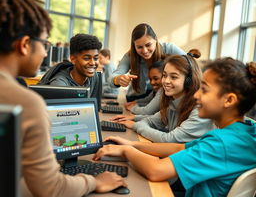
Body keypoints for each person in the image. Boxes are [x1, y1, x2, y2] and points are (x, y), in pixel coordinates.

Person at [0, 0, 126, 197]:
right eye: (44, 45)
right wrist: (94, 182)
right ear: (24, 44)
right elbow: (51, 188)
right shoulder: (26, 102)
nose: (44, 54)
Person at [93, 57, 256, 197]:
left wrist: (125, 151)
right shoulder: (247, 130)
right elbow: (179, 148)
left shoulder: (222, 143)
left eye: (204, 90)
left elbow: (156, 170)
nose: (196, 95)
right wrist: (133, 144)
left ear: (229, 100)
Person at [113, 50, 214, 143]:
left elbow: (169, 139)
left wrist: (136, 125)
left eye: (173, 77)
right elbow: (151, 120)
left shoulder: (199, 111)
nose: (166, 81)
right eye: (164, 75)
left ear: (189, 81)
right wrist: (135, 121)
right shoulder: (173, 102)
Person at [108, 23, 185, 102]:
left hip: (159, 98)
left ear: (155, 39)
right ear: (134, 46)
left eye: (148, 45)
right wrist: (117, 79)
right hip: (135, 97)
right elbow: (111, 78)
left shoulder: (169, 49)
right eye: (139, 47)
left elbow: (191, 64)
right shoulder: (130, 56)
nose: (145, 51)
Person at [39, 33, 102, 99]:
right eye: (86, 58)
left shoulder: (94, 77)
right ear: (73, 59)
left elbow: (94, 106)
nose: (92, 63)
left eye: (96, 58)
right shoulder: (59, 84)